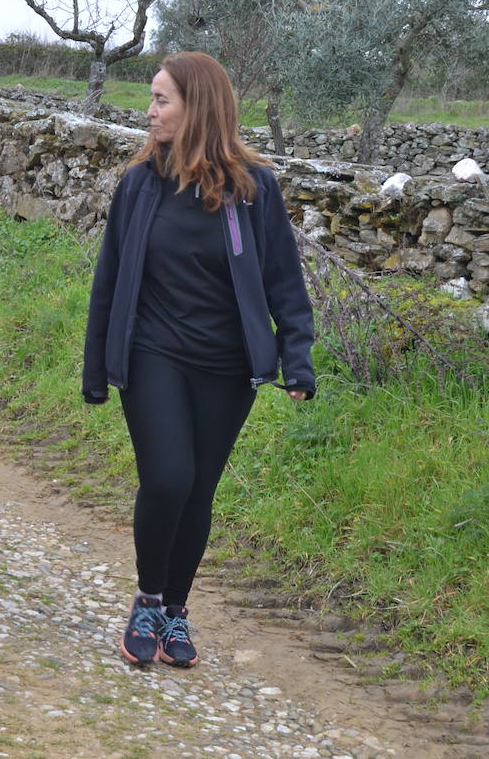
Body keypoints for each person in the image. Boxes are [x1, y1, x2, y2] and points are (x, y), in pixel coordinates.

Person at [82, 51, 316, 669]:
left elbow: (283, 280)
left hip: (226, 366)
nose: (150, 111)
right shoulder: (139, 184)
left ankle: (177, 611)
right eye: (152, 99)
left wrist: (298, 357)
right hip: (152, 351)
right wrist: (95, 365)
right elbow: (109, 279)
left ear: (198, 108)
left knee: (198, 490)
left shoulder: (252, 188)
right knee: (168, 478)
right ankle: (148, 599)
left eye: (162, 100)